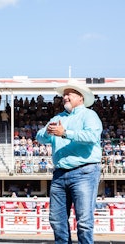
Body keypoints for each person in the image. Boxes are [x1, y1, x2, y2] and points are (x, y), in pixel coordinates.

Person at [36, 80, 102, 244]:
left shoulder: (89, 115)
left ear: (80, 98)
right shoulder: (58, 117)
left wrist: (65, 133)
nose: (65, 97)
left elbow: (92, 136)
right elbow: (39, 137)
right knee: (57, 221)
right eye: (64, 95)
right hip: (60, 173)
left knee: (84, 222)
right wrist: (48, 133)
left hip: (84, 172)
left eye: (69, 94)